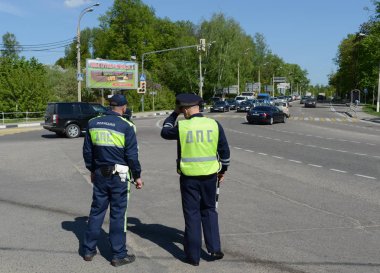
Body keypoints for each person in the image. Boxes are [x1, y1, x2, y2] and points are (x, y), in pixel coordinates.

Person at [161, 93, 230, 266]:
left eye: (182, 109)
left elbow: (165, 131)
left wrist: (173, 114)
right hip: (210, 176)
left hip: (189, 178)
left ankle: (193, 256)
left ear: (185, 108)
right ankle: (214, 249)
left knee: (192, 214)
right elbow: (225, 151)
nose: (182, 112)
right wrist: (223, 171)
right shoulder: (214, 124)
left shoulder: (182, 126)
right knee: (209, 210)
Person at [82, 94, 143, 267]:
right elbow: (132, 156)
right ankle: (118, 254)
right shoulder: (127, 126)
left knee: (96, 211)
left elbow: (88, 151)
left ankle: (88, 250)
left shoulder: (93, 123)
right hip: (119, 177)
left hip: (100, 174)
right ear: (124, 108)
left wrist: (92, 169)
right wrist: (137, 176)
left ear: (109, 106)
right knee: (118, 215)